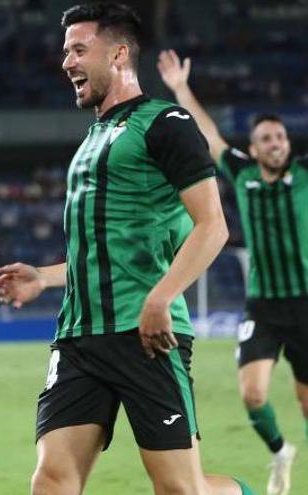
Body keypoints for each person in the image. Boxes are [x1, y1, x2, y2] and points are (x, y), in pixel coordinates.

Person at [0, 4, 253, 494]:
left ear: (119, 53)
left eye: (78, 49)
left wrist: (160, 297)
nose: (66, 61)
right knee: (51, 480)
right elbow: (105, 252)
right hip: (78, 339)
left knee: (180, 489)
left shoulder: (166, 123)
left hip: (147, 335)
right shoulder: (92, 137)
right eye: (65, 50)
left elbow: (212, 226)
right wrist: (44, 278)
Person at [158, 48, 306, 495]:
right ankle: (280, 451)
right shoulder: (241, 173)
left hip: (306, 305)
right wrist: (182, 88)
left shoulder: (305, 176)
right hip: (262, 305)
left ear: (288, 143)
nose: (275, 143)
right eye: (266, 138)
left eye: (280, 137)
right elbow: (209, 135)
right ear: (254, 146)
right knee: (253, 395)